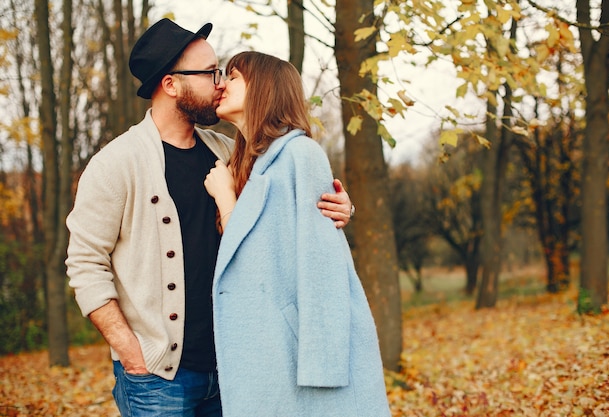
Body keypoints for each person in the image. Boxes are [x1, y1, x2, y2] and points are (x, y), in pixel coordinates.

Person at [65, 19, 353, 417]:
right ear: (170, 85)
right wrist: (131, 351)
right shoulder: (116, 164)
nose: (220, 82)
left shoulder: (229, 151)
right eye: (209, 72)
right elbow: (84, 264)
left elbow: (283, 215)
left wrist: (340, 207)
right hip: (159, 381)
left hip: (235, 369)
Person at [204, 51, 390, 416]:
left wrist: (324, 369)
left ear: (265, 89)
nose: (222, 84)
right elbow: (253, 255)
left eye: (234, 76)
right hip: (266, 356)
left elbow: (323, 266)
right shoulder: (248, 165)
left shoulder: (301, 155)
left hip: (299, 361)